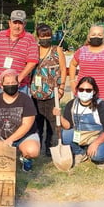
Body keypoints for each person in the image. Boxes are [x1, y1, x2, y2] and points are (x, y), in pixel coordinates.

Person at [0, 69, 40, 172]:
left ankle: (25, 159)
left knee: (32, 150)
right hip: (1, 136)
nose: (11, 85)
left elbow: (26, 125)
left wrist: (9, 141)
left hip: (23, 137)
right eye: (7, 83)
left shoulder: (26, 100)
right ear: (2, 85)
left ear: (18, 84)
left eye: (13, 83)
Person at [53, 76, 104, 169]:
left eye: (88, 90)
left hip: (103, 134)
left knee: (97, 156)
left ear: (94, 91)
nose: (84, 92)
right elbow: (68, 126)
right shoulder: (72, 104)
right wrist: (60, 116)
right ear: (77, 90)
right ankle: (81, 153)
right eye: (81, 89)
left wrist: (95, 143)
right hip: (83, 134)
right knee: (65, 135)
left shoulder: (101, 105)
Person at [30, 23, 67, 156]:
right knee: (38, 121)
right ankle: (37, 144)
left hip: (52, 93)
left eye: (48, 36)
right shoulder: (34, 50)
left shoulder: (57, 50)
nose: (45, 38)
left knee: (52, 121)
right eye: (42, 36)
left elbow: (63, 69)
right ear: (38, 36)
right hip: (36, 93)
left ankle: (49, 146)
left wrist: (62, 87)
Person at [0, 10, 39, 96]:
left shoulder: (29, 39)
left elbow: (32, 62)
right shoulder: (0, 35)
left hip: (19, 87)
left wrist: (19, 78)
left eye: (20, 23)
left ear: (24, 24)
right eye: (15, 22)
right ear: (9, 23)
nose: (17, 26)